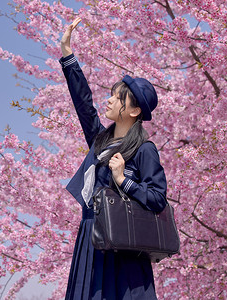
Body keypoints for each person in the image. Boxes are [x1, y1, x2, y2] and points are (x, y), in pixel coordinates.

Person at [60, 17, 168, 300]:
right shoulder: (100, 141)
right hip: (92, 238)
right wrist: (68, 53)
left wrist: (123, 180)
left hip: (124, 249)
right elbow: (84, 105)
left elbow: (158, 198)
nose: (108, 101)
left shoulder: (144, 149)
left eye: (117, 97)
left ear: (134, 111)